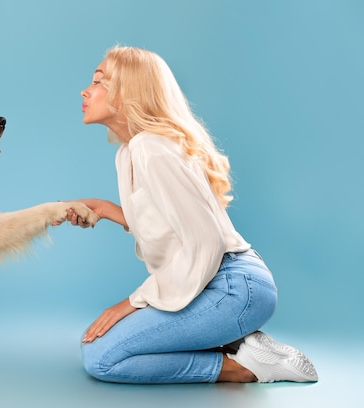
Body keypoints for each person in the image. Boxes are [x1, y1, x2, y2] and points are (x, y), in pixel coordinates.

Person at [65, 45, 318, 384]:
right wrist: (109, 210)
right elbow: (170, 226)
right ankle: (240, 342)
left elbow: (205, 242)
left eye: (99, 81)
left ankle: (245, 367)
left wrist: (133, 302)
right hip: (216, 284)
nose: (86, 89)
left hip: (232, 287)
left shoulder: (151, 148)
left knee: (102, 358)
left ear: (129, 93)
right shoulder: (129, 152)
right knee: (103, 349)